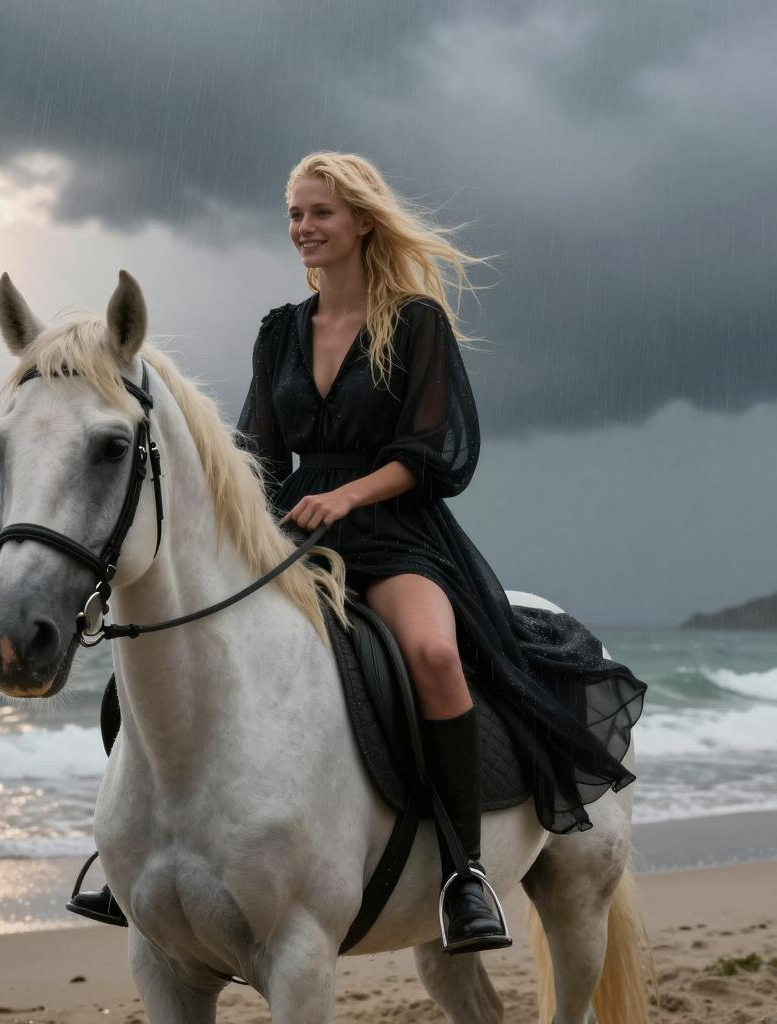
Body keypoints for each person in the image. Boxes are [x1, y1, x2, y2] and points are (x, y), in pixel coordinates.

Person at [69, 151, 647, 953]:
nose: (304, 229)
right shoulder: (279, 333)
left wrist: (348, 492)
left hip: (400, 536)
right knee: (172, 654)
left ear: (362, 222)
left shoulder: (414, 323)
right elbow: (257, 455)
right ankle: (129, 854)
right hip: (296, 535)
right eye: (296, 216)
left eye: (320, 214)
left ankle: (464, 874)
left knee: (435, 655)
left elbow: (433, 448)